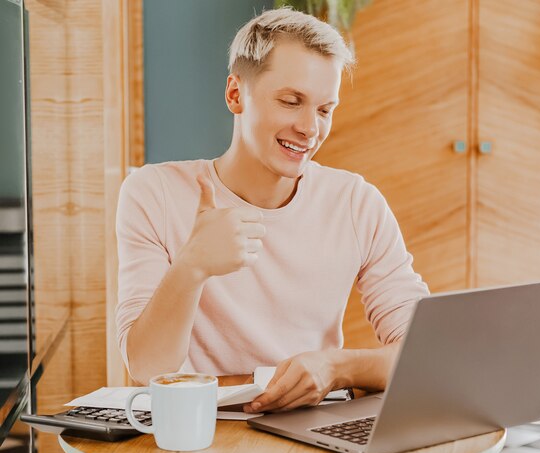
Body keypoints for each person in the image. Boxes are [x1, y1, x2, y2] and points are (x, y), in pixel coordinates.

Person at [115, 7, 429, 414]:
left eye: (323, 109)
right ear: (235, 94)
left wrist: (337, 367)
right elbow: (147, 367)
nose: (310, 128)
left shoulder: (356, 203)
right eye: (291, 101)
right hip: (206, 431)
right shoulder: (153, 194)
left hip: (313, 428)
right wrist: (192, 266)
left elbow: (422, 353)